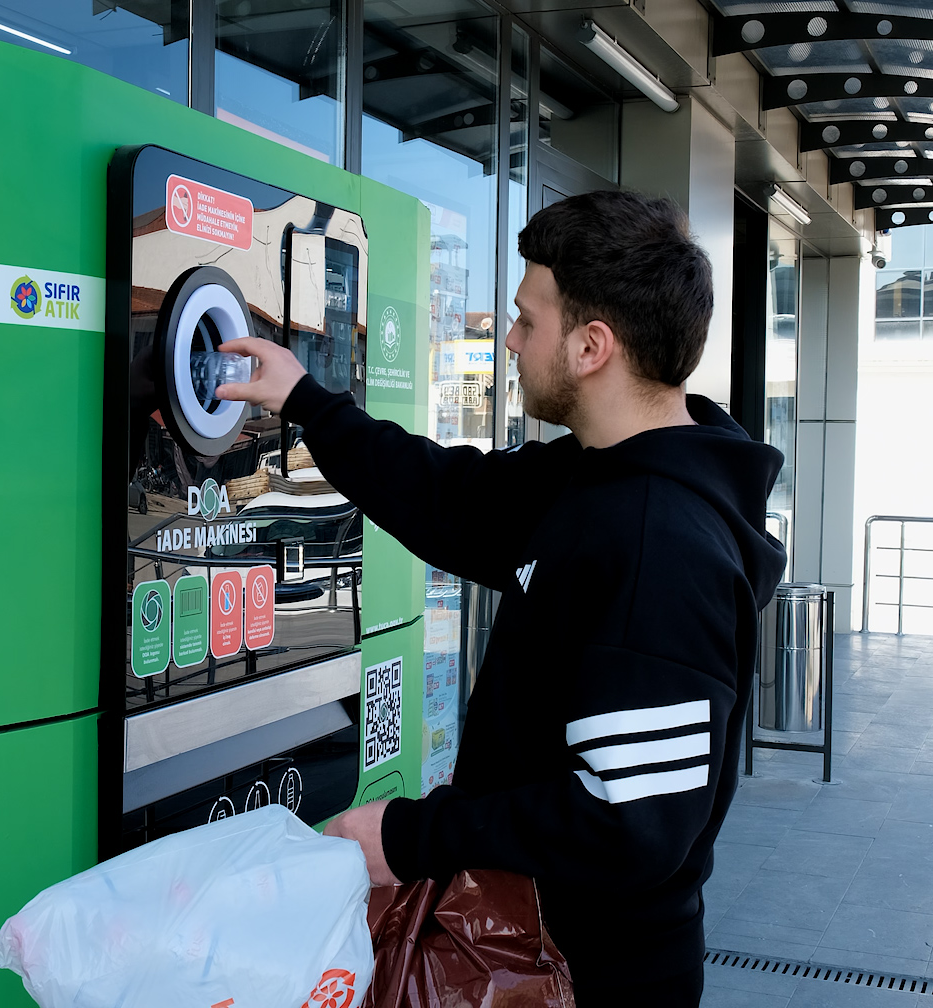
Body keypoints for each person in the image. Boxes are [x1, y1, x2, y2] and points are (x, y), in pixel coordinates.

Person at [217, 190, 787, 1005]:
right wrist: (307, 400)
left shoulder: (660, 544)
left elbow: (628, 824)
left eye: (526, 319)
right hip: (518, 944)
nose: (510, 339)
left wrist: (412, 838)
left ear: (591, 346)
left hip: (585, 977)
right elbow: (444, 496)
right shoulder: (590, 473)